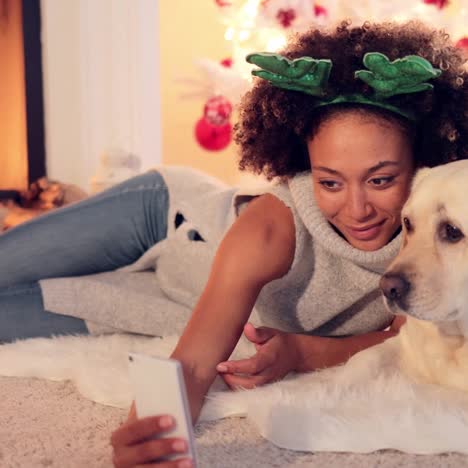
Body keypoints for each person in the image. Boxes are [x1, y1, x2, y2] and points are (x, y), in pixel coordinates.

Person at [1, 20, 467, 468]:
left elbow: (396, 339)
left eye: (381, 179)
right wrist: (150, 433)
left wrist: (302, 351)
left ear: (423, 164)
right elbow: (195, 363)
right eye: (328, 182)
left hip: (162, 296)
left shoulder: (425, 244)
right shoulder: (272, 228)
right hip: (162, 218)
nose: (357, 208)